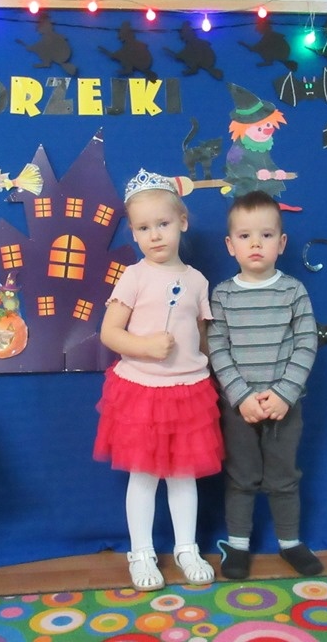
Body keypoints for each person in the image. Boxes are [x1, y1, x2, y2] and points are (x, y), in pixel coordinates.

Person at [93, 169, 224, 592]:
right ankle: (142, 551)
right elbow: (109, 333)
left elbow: (202, 336)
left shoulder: (197, 280)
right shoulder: (133, 276)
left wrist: (210, 371)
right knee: (144, 476)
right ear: (133, 233)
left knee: (184, 476)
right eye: (143, 228)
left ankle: (187, 548)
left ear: (182, 222)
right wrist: (145, 346)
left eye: (163, 224)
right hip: (142, 392)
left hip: (188, 392)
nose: (154, 236)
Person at [207, 190, 322, 580]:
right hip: (239, 407)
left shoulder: (293, 291)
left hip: (283, 405)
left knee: (284, 476)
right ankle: (238, 545)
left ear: (281, 243)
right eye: (245, 236)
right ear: (230, 245)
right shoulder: (222, 295)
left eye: (266, 235)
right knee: (241, 477)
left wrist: (285, 394)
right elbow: (217, 348)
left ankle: (290, 542)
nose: (255, 243)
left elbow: (306, 343)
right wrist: (241, 396)